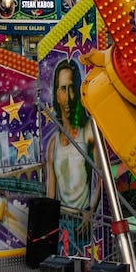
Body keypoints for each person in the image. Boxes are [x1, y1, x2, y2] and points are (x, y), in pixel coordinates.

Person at [45, 60, 100, 214]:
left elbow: (101, 178)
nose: (68, 97)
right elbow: (51, 193)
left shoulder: (88, 130)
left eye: (72, 88)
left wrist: (91, 212)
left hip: (83, 220)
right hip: (63, 222)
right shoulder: (53, 143)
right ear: (56, 94)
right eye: (63, 89)